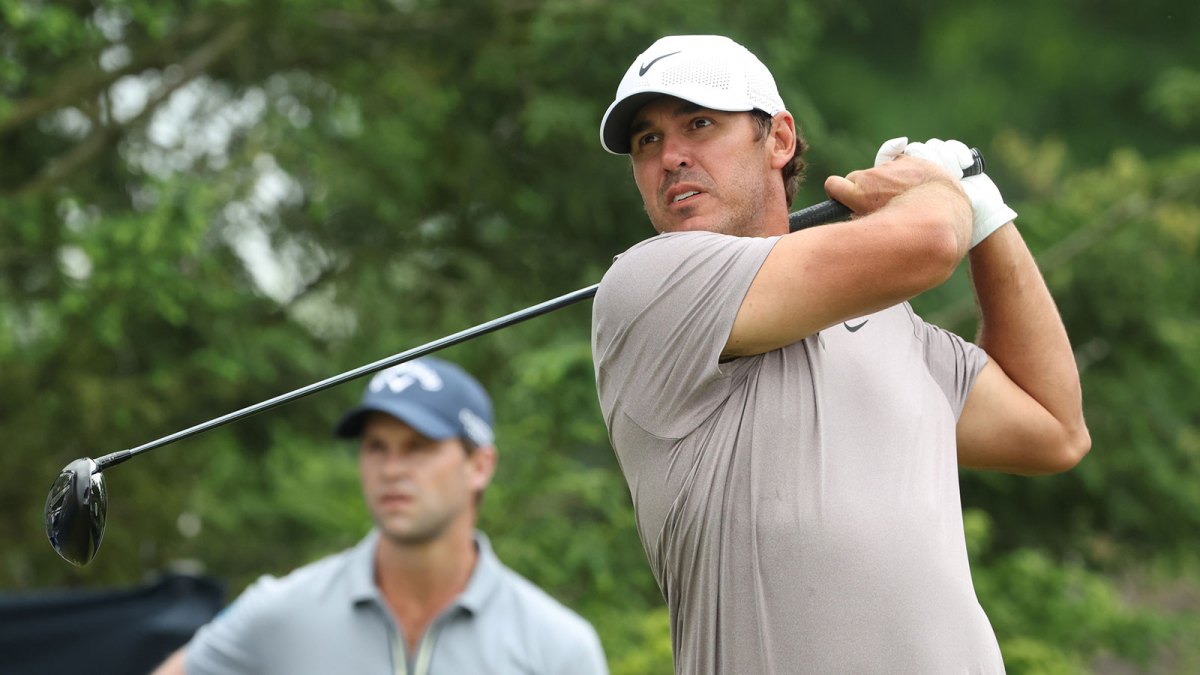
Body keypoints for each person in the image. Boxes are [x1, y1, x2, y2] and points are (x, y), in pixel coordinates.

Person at [591, 34, 1091, 673]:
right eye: (647, 140)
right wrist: (939, 190)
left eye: (699, 124)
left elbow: (1054, 429)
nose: (671, 157)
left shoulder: (888, 322)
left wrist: (988, 218)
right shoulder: (648, 285)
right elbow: (934, 240)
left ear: (778, 139)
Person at [152, 357, 608, 675]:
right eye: (376, 447)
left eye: (419, 447)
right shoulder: (278, 613)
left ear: (480, 466)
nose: (392, 469)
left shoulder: (557, 647)